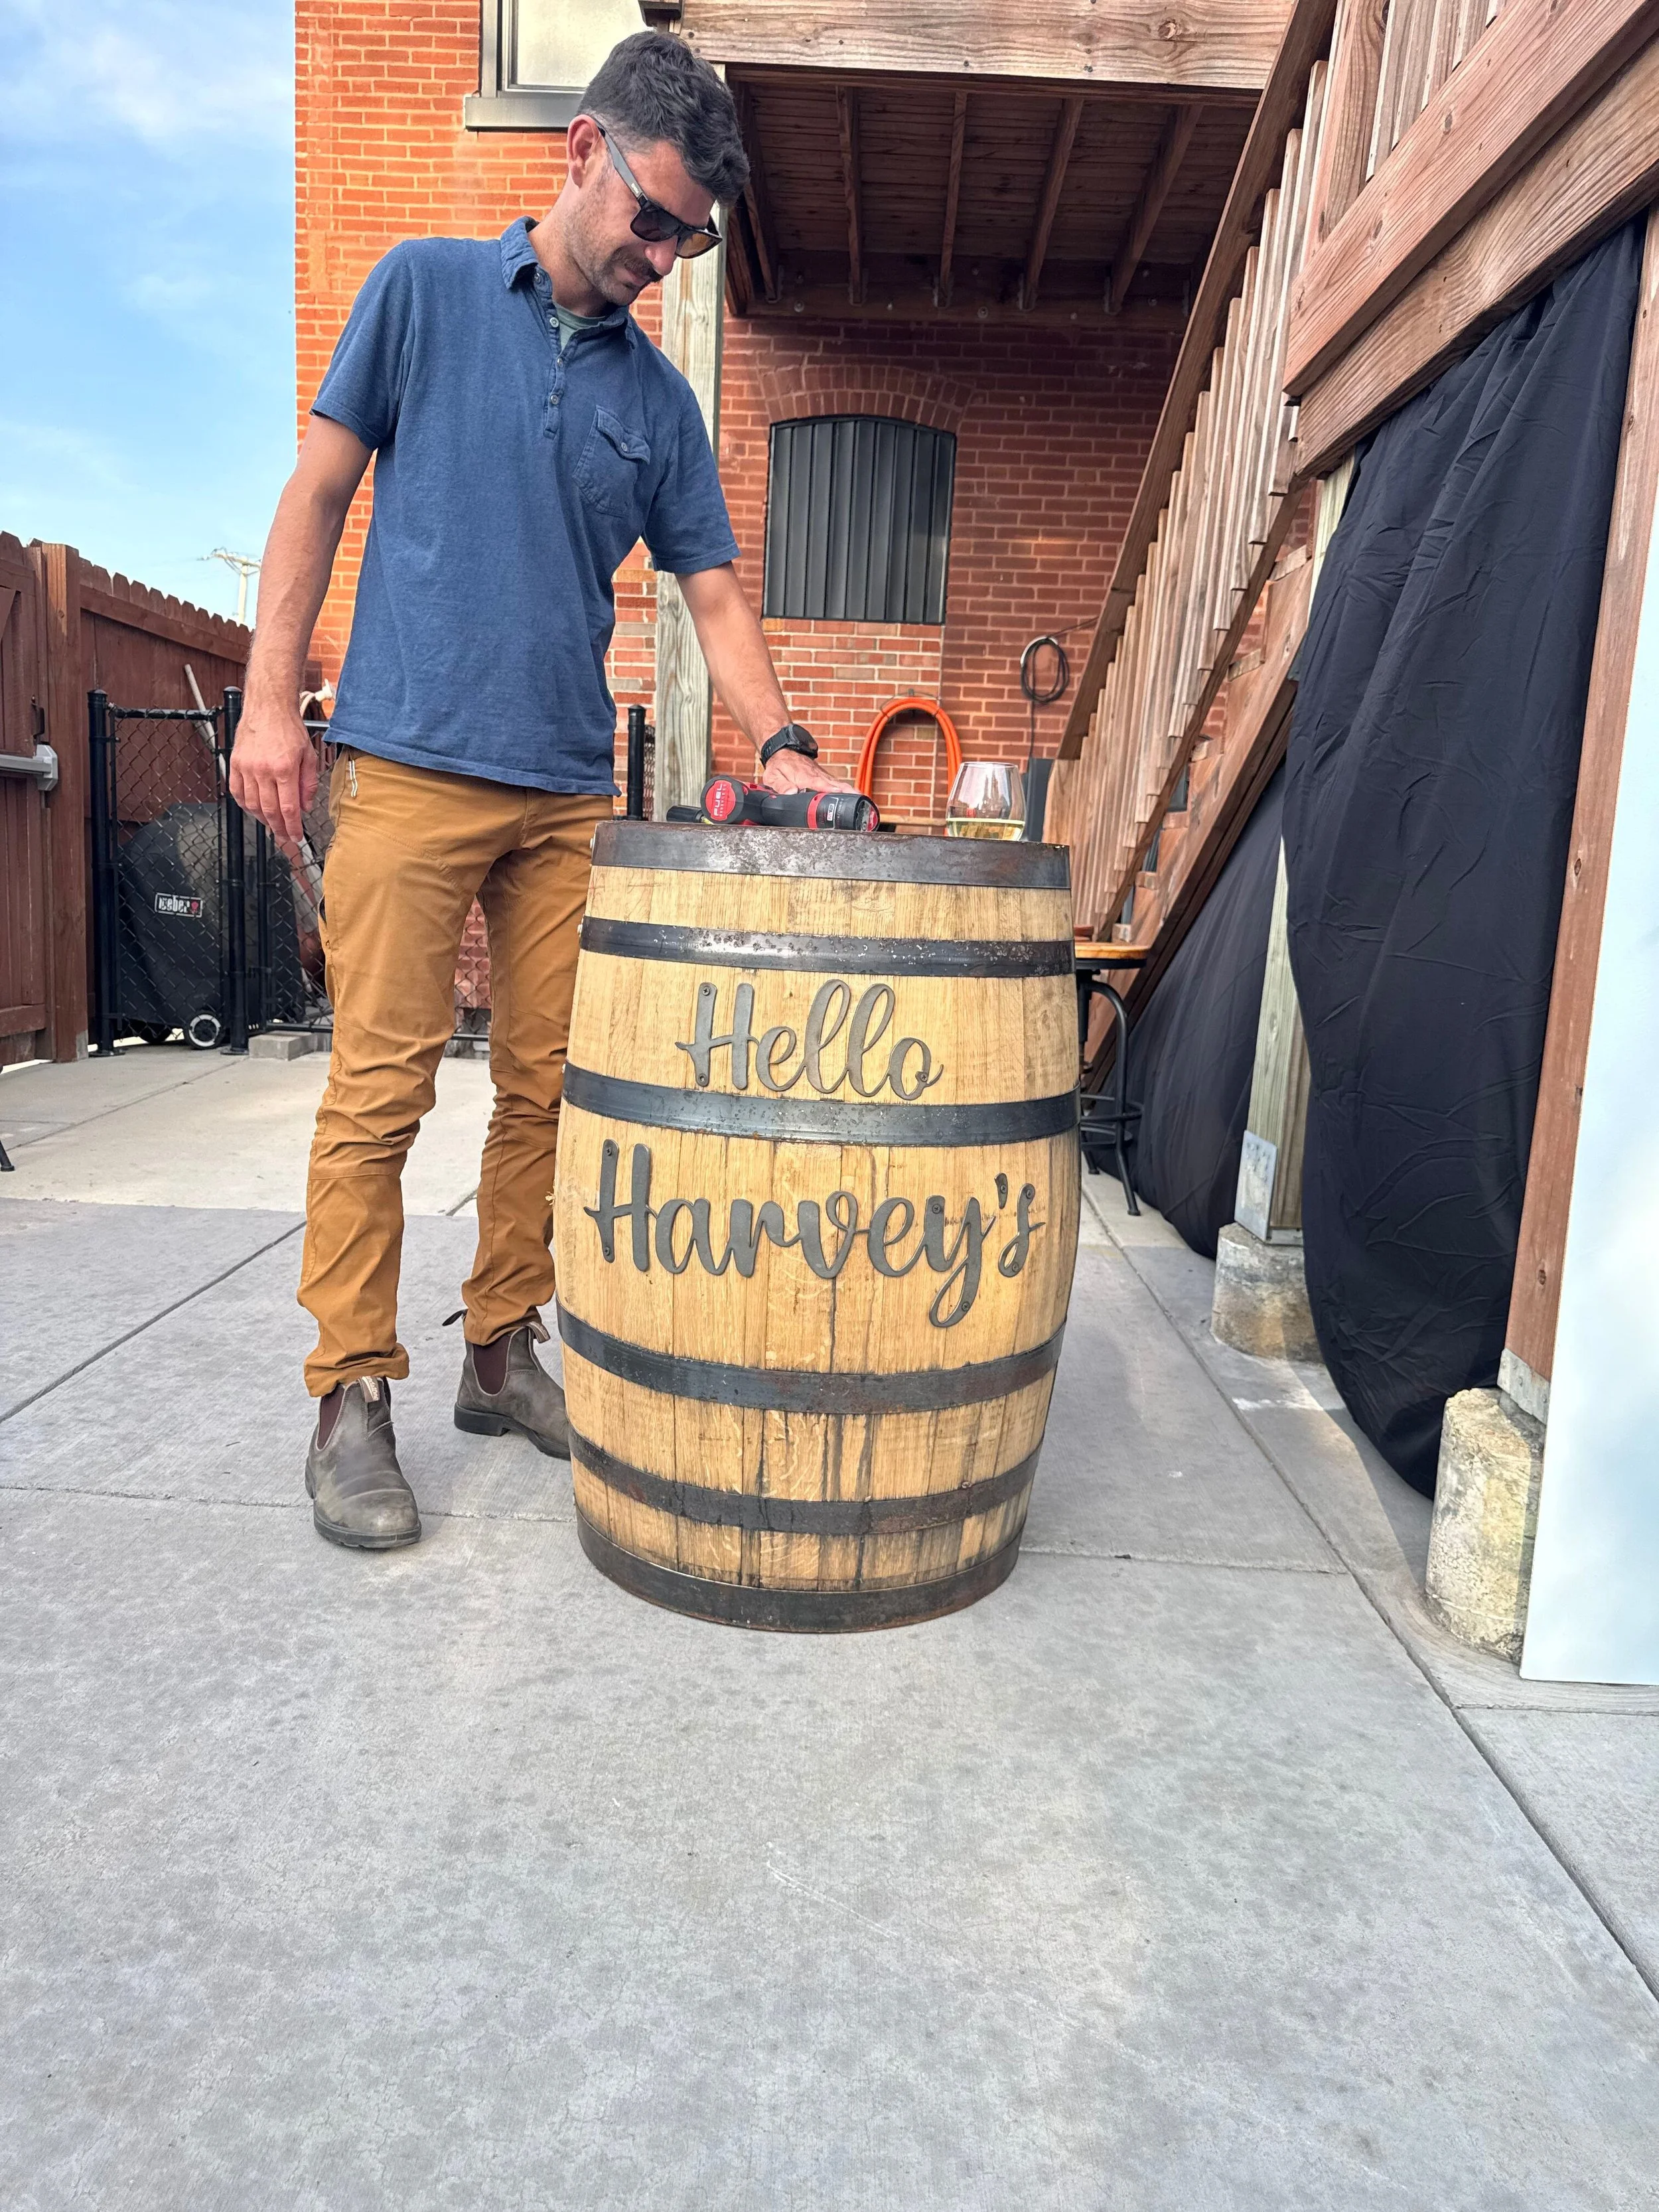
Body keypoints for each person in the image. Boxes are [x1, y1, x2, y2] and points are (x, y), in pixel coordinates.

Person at [232, 32, 851, 1554]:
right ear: (580, 150)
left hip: (567, 790)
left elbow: (712, 600)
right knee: (377, 1091)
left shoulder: (658, 403)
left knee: (547, 1094)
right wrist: (267, 702)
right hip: (407, 764)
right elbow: (316, 494)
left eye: (688, 240)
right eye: (650, 217)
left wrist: (778, 745)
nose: (662, 256)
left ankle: (499, 1349)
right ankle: (349, 1390)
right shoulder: (423, 293)